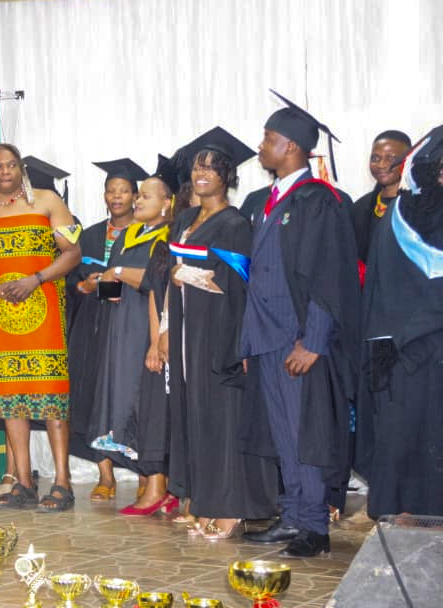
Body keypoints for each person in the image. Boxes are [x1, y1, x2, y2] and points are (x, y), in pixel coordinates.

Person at [240, 94, 360, 557]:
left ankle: (314, 526)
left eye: (268, 139)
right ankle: (291, 517)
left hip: (299, 340)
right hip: (267, 339)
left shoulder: (318, 201)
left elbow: (329, 275)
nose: (261, 146)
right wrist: (249, 342)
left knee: (305, 435)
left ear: (290, 147)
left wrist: (313, 341)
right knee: (282, 434)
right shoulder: (269, 200)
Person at [164, 128, 279, 539]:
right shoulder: (183, 219)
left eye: (212, 168)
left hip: (220, 333)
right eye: (198, 165)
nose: (202, 173)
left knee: (224, 420)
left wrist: (186, 274)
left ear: (227, 176)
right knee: (195, 417)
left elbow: (239, 286)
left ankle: (231, 509)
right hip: (184, 332)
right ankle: (205, 500)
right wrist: (174, 275)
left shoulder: (234, 224)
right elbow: (166, 270)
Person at [0, 143, 81, 512]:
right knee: (11, 400)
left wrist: (36, 279)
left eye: (12, 165)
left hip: (44, 314)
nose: (6, 171)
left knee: (52, 398)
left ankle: (62, 481)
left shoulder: (48, 202)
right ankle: (23, 480)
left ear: (20, 169)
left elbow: (72, 253)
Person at [356, 125, 443, 518]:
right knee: (395, 436)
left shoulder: (405, 214)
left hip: (424, 347)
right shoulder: (399, 215)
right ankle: (398, 516)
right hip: (396, 348)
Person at [86, 162, 176, 516]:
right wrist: (103, 283)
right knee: (117, 398)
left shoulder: (168, 236)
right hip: (118, 325)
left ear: (167, 203)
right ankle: (131, 475)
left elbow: (157, 280)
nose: (136, 201)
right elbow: (112, 285)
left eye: (145, 196)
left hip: (147, 327)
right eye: (138, 195)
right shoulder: (129, 234)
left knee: (143, 399)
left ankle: (153, 481)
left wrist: (119, 272)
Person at [71, 158, 148, 502]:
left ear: (135, 196)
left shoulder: (144, 234)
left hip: (131, 327)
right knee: (95, 398)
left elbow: (138, 285)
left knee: (133, 398)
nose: (116, 196)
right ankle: (105, 475)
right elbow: (76, 284)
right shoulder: (88, 235)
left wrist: (102, 285)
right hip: (92, 327)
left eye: (124, 191)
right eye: (110, 190)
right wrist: (88, 286)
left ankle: (145, 473)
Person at [351, 131, 411, 262]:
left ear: (407, 160)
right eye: (375, 158)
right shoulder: (360, 207)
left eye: (391, 158)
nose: (381, 165)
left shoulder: (420, 206)